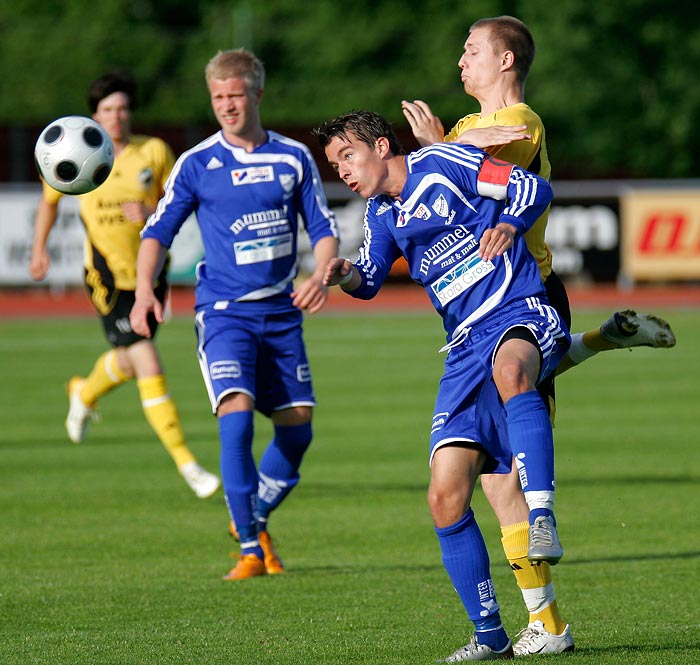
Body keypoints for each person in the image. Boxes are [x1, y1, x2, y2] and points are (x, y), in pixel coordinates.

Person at [401, 16, 675, 655]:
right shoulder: (466, 131)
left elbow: (501, 144)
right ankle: (600, 341)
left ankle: (547, 625)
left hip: (526, 292)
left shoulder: (521, 119)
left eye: (471, 49)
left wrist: (439, 146)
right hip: (478, 304)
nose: (460, 58)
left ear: (504, 61)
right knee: (497, 471)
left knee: (505, 470)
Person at [315, 109, 571, 661]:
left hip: (519, 311)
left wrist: (509, 224)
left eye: (348, 157)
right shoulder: (381, 214)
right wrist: (346, 275)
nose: (343, 172)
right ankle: (490, 635)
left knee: (512, 372)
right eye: (335, 165)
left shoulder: (442, 163)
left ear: (382, 147)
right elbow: (371, 279)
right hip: (462, 352)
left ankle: (544, 517)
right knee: (444, 496)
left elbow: (532, 187)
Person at [130, 49, 339, 581]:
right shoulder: (197, 163)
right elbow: (157, 231)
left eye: (235, 95)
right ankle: (249, 547)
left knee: (297, 432)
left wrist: (319, 275)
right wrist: (141, 292)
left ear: (257, 95)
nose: (226, 105)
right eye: (218, 97)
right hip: (223, 313)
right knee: (237, 419)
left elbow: (321, 228)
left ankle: (252, 514)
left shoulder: (292, 157)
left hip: (281, 311)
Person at [29, 70, 220, 500]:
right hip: (107, 278)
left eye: (122, 108)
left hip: (151, 276)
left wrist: (150, 209)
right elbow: (48, 203)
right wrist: (39, 249)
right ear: (94, 115)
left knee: (130, 361)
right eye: (108, 110)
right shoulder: (74, 150)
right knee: (147, 361)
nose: (116, 116)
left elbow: (180, 204)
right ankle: (188, 465)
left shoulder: (153, 151)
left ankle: (84, 390)